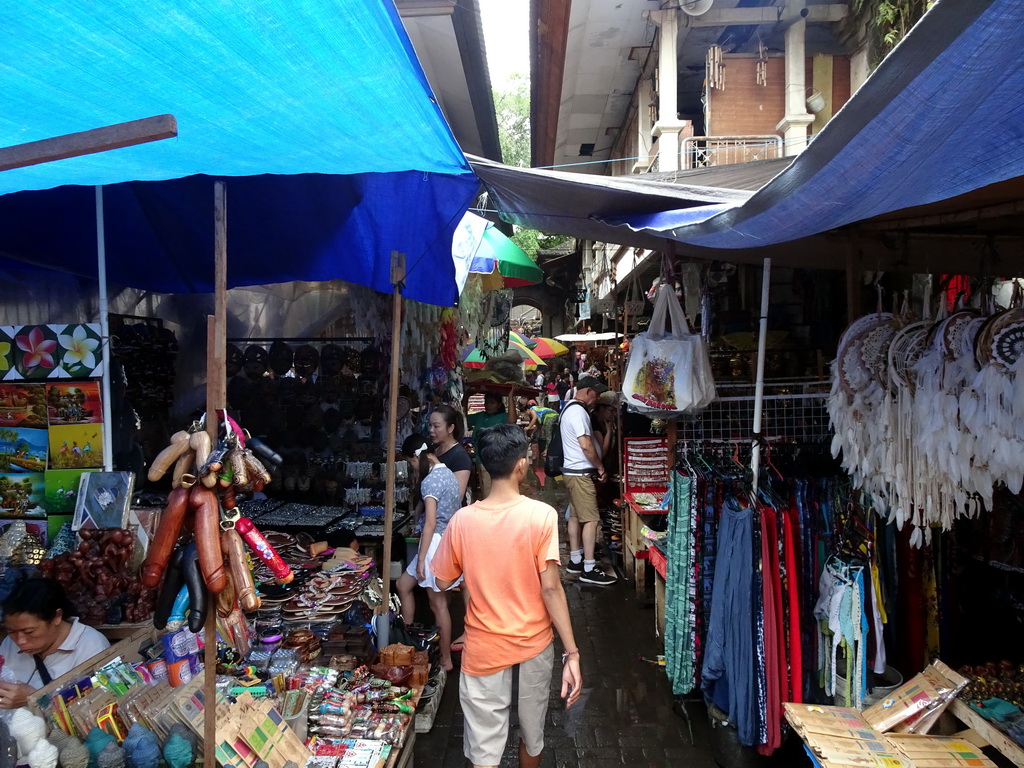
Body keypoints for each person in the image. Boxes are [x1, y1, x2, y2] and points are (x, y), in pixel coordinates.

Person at [433, 424, 582, 768]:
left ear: (486, 466)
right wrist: (571, 653)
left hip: (483, 647)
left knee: (484, 750)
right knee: (533, 734)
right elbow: (551, 588)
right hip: (534, 643)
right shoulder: (541, 515)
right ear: (521, 465)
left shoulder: (461, 521)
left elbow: (441, 581)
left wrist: (473, 574)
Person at [395, 435, 461, 671]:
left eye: (411, 463)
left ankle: (445, 659)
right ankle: (408, 641)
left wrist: (421, 559)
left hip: (434, 544)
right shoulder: (448, 474)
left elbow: (431, 523)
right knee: (403, 585)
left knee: (438, 603)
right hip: (447, 540)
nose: (413, 467)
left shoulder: (430, 481)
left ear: (416, 456)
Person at [0, 578, 110, 707]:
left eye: (29, 631)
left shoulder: (91, 647)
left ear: (57, 617)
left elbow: (93, 710)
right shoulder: (9, 643)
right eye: (11, 632)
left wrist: (35, 699)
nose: (20, 641)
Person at [559, 376, 616, 586]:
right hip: (581, 473)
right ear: (588, 391)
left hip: (572, 471)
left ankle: (575, 560)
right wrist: (600, 466)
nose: (597, 398)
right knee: (591, 519)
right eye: (597, 394)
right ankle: (589, 567)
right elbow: (585, 444)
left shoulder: (570, 409)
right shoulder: (578, 412)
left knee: (574, 515)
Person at [466, 391, 517, 498]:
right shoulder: (480, 416)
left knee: (494, 491)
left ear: (499, 405)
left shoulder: (503, 417)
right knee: (486, 489)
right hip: (480, 459)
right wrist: (467, 396)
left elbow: (512, 420)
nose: (488, 405)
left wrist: (510, 395)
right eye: (486, 403)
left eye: (492, 403)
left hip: (497, 460)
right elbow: (464, 418)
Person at [428, 405, 472, 502]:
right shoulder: (434, 450)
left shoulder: (460, 457)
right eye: (430, 425)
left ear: (450, 428)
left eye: (436, 426)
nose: (431, 430)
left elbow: (457, 497)